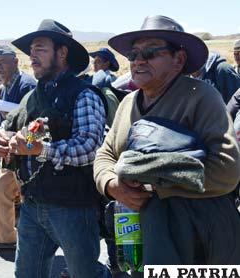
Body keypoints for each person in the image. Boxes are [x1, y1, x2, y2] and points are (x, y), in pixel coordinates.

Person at [94, 15, 240, 265]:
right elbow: (105, 154)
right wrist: (111, 184)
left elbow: (227, 169)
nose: (138, 61)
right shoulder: (128, 102)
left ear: (178, 59)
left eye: (150, 52)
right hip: (137, 228)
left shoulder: (201, 96)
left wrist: (155, 184)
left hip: (196, 232)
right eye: (133, 54)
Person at [0, 19, 109, 277]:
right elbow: (9, 126)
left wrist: (40, 150)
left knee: (85, 273)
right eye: (31, 49)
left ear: (62, 52)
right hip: (32, 205)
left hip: (73, 208)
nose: (32, 55)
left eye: (40, 48)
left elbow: (89, 147)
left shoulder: (84, 94)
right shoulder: (32, 96)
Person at [0, 44, 37, 251]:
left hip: (25, 149)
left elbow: (33, 119)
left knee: (7, 192)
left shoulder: (27, 84)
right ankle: (9, 239)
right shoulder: (7, 86)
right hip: (11, 150)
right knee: (6, 193)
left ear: (15, 62)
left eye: (2, 63)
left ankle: (10, 240)